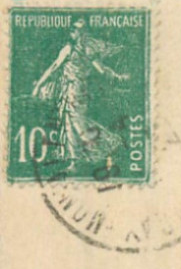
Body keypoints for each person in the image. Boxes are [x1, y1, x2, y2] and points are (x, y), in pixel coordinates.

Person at [31, 18, 129, 171]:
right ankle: (99, 148)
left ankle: (89, 154)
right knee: (77, 122)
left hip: (73, 91)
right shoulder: (84, 50)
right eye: (74, 29)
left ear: (81, 33)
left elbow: (53, 68)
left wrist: (38, 85)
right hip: (76, 90)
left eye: (76, 30)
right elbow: (101, 69)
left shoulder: (71, 49)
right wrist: (117, 77)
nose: (74, 32)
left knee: (73, 123)